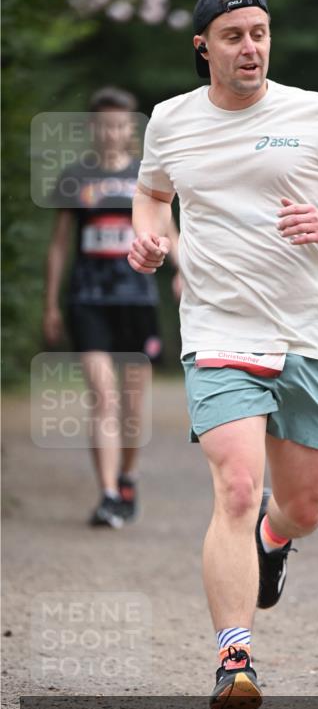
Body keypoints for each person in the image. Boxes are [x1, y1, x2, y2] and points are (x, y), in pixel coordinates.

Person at [128, 0, 318, 709]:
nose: (251, 47)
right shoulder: (170, 121)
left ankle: (275, 542)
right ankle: (233, 658)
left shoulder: (314, 113)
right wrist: (150, 237)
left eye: (260, 33)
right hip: (218, 329)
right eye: (235, 35)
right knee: (237, 487)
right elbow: (152, 195)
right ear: (202, 47)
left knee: (302, 508)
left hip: (307, 330)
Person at [43, 86, 180, 529]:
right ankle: (105, 495)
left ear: (131, 131)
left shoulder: (146, 177)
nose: (111, 133)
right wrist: (51, 305)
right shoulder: (75, 177)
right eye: (103, 125)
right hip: (88, 300)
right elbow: (60, 246)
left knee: (133, 405)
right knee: (103, 397)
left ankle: (127, 477)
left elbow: (168, 231)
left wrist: (183, 272)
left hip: (137, 300)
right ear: (92, 129)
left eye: (120, 125)